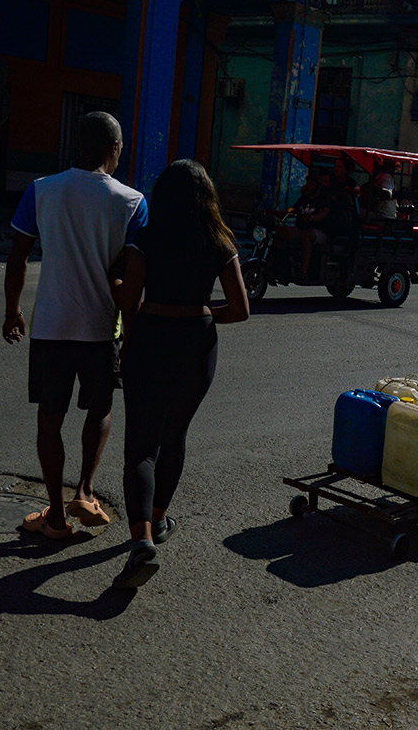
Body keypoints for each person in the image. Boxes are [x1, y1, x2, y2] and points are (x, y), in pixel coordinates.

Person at [3, 111, 148, 539]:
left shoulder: (41, 190)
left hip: (51, 326)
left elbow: (17, 258)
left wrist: (13, 311)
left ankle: (54, 514)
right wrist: (136, 334)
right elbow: (134, 278)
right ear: (114, 149)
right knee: (100, 409)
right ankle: (84, 491)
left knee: (50, 417)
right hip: (102, 329)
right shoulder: (133, 202)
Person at [111, 159, 249, 588]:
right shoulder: (218, 241)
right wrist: (203, 315)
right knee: (175, 436)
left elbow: (128, 305)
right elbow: (241, 309)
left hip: (151, 338)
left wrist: (129, 347)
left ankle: (142, 540)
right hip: (197, 344)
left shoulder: (147, 239)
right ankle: (159, 519)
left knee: (140, 447)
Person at [278, 173, 330, 279]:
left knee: (306, 235)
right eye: (307, 183)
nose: (307, 186)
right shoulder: (304, 198)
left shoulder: (323, 199)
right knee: (280, 231)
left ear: (317, 186)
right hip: (302, 228)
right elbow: (292, 210)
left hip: (320, 232)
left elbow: (323, 213)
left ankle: (303, 271)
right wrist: (276, 213)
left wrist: (312, 218)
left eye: (311, 184)